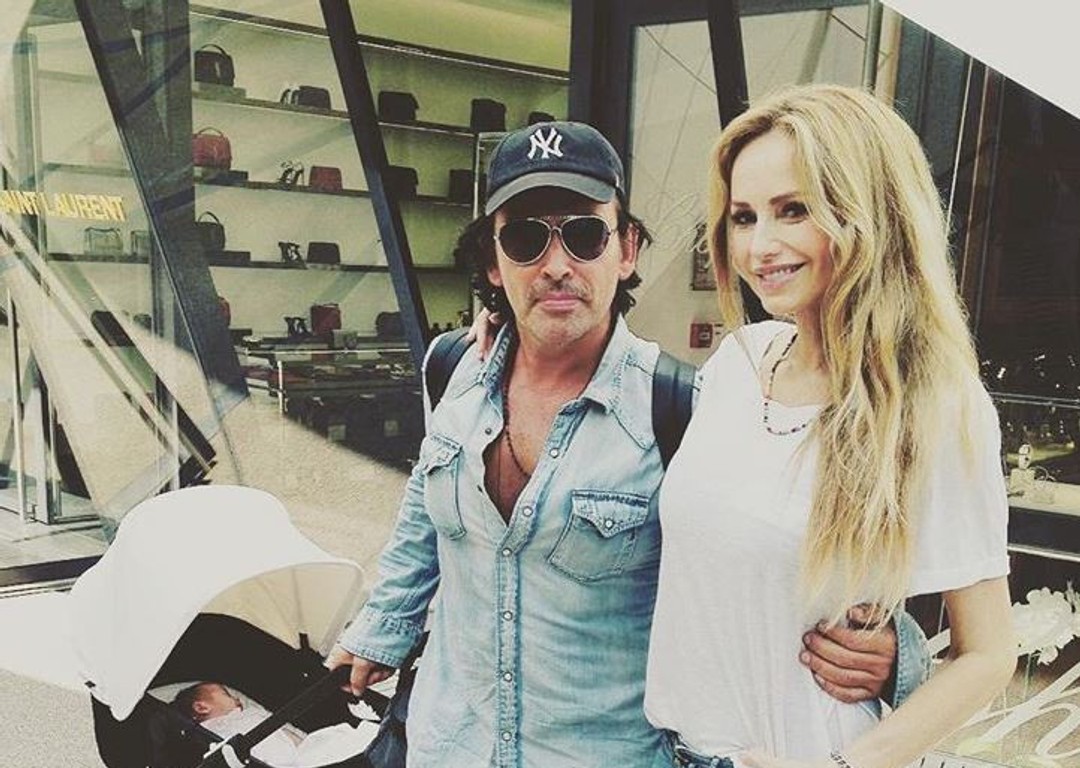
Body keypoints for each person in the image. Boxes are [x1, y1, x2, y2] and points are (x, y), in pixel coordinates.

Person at [327, 120, 926, 768]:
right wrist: (381, 628)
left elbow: (769, 551)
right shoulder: (452, 368)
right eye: (525, 239)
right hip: (447, 746)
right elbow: (429, 508)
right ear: (493, 263)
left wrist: (896, 652)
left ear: (627, 249)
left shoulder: (684, 406)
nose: (557, 266)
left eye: (584, 235)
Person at [643, 85, 1015, 768]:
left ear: (868, 210)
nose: (760, 246)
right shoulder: (737, 362)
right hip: (669, 750)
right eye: (743, 217)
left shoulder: (934, 404)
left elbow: (988, 653)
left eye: (794, 210)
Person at [173, 682, 378, 768]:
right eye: (227, 695)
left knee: (339, 738)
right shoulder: (213, 731)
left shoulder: (249, 714)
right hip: (284, 760)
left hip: (300, 750)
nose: (237, 699)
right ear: (201, 707)